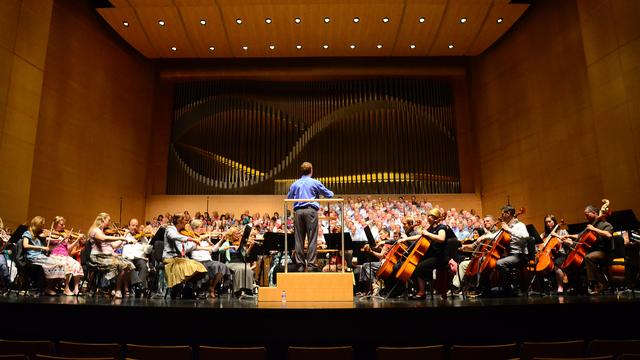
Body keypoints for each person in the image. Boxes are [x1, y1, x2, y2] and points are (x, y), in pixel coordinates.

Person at [287, 162, 334, 272]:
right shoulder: (315, 182)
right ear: (311, 170)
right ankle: (311, 265)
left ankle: (300, 266)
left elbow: (289, 197)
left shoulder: (295, 184)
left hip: (298, 212)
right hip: (311, 211)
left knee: (298, 239)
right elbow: (329, 194)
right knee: (312, 238)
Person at [560, 204, 613, 295]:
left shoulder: (605, 224)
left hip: (603, 252)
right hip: (590, 250)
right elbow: (579, 235)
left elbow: (609, 235)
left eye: (587, 214)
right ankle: (577, 287)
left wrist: (594, 229)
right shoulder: (590, 225)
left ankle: (597, 284)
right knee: (573, 260)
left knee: (588, 257)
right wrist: (569, 236)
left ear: (594, 213)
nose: (585, 217)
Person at [87, 212, 135, 298]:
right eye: (108, 220)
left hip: (107, 257)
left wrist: (124, 235)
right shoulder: (95, 230)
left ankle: (115, 288)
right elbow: (103, 238)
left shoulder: (103, 232)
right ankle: (116, 288)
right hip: (98, 257)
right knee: (121, 265)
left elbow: (115, 245)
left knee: (127, 264)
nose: (109, 222)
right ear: (102, 220)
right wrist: (120, 237)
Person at [538, 215, 569, 294]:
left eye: (550, 221)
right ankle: (545, 287)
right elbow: (538, 244)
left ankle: (560, 286)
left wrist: (558, 237)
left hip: (561, 254)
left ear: (554, 222)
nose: (548, 224)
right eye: (546, 222)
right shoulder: (545, 234)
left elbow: (569, 242)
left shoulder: (562, 231)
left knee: (556, 265)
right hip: (549, 255)